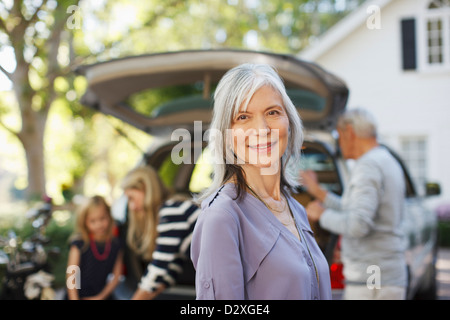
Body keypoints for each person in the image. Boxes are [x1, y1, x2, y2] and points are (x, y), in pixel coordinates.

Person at [190, 63, 332, 300]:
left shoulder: (295, 208)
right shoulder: (223, 216)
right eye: (243, 117)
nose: (262, 129)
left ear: (289, 121)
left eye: (272, 112)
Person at [301, 108, 407, 300]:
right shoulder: (385, 160)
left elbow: (358, 225)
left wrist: (321, 215)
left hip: (372, 280)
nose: (339, 145)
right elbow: (354, 209)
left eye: (339, 137)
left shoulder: (368, 166)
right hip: (384, 275)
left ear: (349, 132)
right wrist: (318, 192)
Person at [119, 165, 200, 300]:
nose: (131, 206)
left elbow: (158, 270)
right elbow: (170, 271)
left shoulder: (172, 211)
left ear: (145, 188)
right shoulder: (172, 208)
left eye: (131, 198)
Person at [66, 195, 123, 300]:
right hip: (77, 296)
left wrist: (100, 297)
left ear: (109, 216)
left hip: (102, 295)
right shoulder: (79, 244)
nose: (99, 224)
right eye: (93, 221)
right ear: (85, 222)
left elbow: (117, 275)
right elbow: (72, 278)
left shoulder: (115, 243)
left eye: (102, 218)